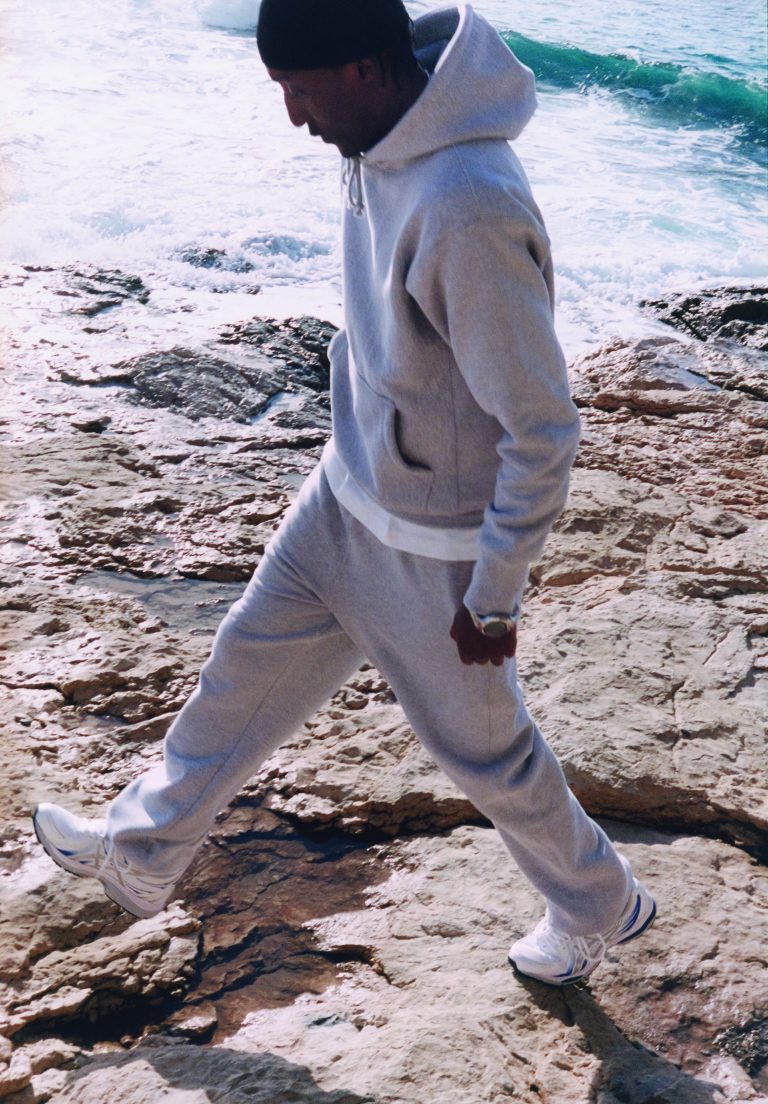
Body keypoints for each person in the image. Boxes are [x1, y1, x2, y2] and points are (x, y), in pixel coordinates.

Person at [33, 0, 655, 986]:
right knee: (242, 667)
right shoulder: (375, 133)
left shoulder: (470, 206)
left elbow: (543, 428)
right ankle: (140, 854)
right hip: (344, 495)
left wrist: (493, 594)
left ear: (366, 69)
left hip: (430, 548)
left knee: (487, 756)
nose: (293, 115)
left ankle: (601, 905)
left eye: (299, 90)